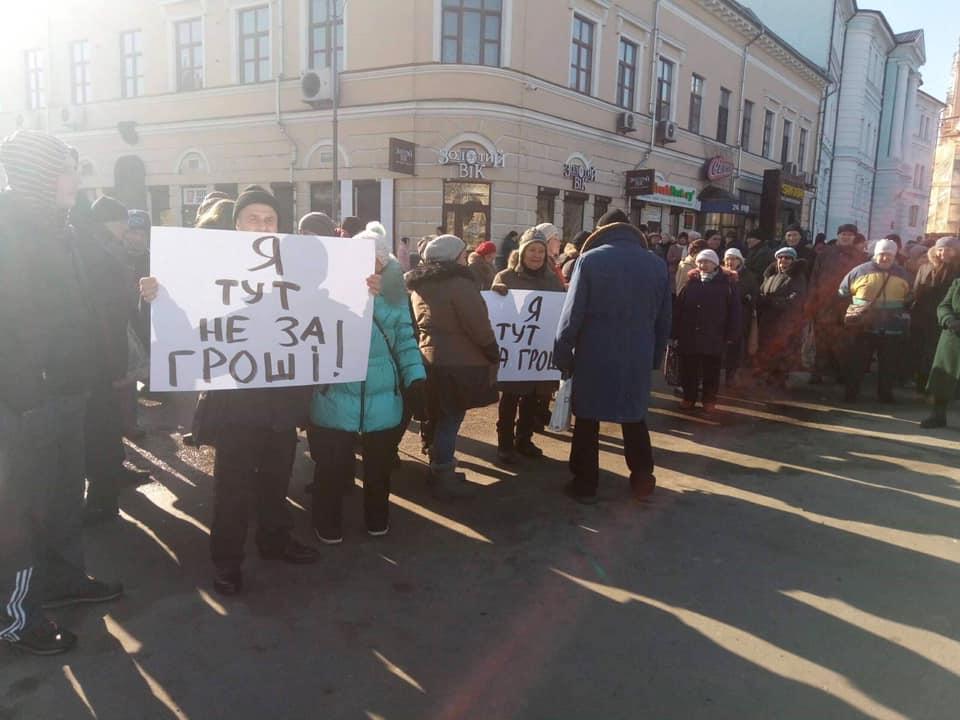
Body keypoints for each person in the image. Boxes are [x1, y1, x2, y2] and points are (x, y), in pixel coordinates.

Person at [140, 185, 321, 596]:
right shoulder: (206, 268)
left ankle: (274, 541)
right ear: (236, 224)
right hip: (235, 404)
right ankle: (227, 562)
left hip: (281, 402)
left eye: (269, 219)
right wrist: (153, 297)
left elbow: (328, 312)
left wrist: (364, 288)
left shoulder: (295, 268)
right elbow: (175, 322)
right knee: (232, 490)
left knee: (277, 481)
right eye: (253, 218)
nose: (262, 225)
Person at [0, 130, 123, 655]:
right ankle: (16, 616)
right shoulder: (10, 230)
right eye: (67, 170)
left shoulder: (61, 228)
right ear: (40, 176)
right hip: (28, 401)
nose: (76, 180)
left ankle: (63, 579)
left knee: (63, 498)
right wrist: (26, 390)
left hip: (69, 391)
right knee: (21, 511)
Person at [308, 227, 426, 543]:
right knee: (331, 467)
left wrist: (416, 378)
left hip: (383, 397)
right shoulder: (327, 292)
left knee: (379, 468)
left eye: (373, 259)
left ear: (383, 264)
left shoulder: (395, 296)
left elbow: (405, 340)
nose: (365, 265)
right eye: (358, 258)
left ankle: (377, 516)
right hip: (335, 394)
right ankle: (327, 520)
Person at [554, 209, 672, 504]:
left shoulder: (589, 260)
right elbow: (664, 320)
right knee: (634, 417)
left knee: (587, 419)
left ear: (600, 230)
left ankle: (585, 484)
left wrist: (562, 353)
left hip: (594, 354)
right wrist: (654, 358)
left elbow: (572, 315)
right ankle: (643, 480)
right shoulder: (656, 264)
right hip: (637, 354)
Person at [405, 234, 499, 498]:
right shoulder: (459, 284)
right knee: (451, 418)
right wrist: (492, 350)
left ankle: (438, 466)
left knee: (438, 414)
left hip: (429, 359)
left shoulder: (419, 285)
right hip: (460, 362)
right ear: (455, 257)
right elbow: (477, 324)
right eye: (463, 253)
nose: (465, 258)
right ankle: (443, 475)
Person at [490, 227, 565, 463]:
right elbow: (495, 312)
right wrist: (496, 294)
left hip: (538, 355)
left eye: (540, 251)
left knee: (533, 398)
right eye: (532, 250)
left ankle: (524, 439)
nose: (536, 255)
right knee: (510, 398)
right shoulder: (505, 277)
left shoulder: (552, 281)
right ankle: (505, 443)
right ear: (522, 252)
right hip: (515, 353)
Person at [838, 238, 913, 403]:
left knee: (888, 364)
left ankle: (885, 395)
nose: (885, 258)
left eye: (889, 255)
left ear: (894, 256)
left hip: (892, 327)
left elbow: (910, 296)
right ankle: (851, 393)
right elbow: (842, 292)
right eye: (881, 254)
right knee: (858, 362)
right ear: (875, 254)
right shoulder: (859, 271)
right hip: (864, 326)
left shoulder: (903, 274)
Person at [673, 249, 741, 411]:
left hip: (714, 334)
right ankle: (689, 397)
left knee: (711, 370)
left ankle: (709, 401)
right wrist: (675, 332)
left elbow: (735, 311)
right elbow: (679, 308)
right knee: (689, 369)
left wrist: (732, 334)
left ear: (715, 264)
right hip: (690, 334)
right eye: (700, 262)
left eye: (707, 262)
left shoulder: (727, 284)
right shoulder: (691, 282)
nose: (703, 265)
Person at [806, 224, 865, 384]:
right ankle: (817, 373)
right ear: (838, 236)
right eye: (843, 234)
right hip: (825, 304)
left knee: (844, 341)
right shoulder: (825, 254)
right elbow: (814, 278)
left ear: (854, 238)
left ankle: (841, 373)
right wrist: (811, 301)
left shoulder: (860, 257)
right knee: (821, 340)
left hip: (847, 305)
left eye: (849, 235)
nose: (846, 237)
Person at [755, 247, 808, 389]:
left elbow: (796, 300)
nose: (784, 260)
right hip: (767, 320)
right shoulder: (770, 275)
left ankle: (780, 380)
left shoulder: (797, 277)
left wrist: (772, 301)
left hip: (785, 321)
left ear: (793, 260)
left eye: (788, 258)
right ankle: (768, 376)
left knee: (782, 351)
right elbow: (762, 291)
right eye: (781, 257)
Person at [912, 237, 960, 390]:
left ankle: (942, 388)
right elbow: (916, 291)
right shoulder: (925, 267)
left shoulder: (957, 270)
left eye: (948, 249)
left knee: (942, 355)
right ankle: (922, 383)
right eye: (940, 249)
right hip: (924, 316)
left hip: (948, 319)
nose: (943, 253)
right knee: (922, 351)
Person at [920, 277, 960, 428]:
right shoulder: (957, 283)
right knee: (942, 378)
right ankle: (938, 416)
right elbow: (944, 306)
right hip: (952, 337)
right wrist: (948, 320)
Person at [722, 248, 759, 387]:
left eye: (733, 259)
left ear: (740, 261)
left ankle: (731, 377)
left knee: (735, 348)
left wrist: (745, 298)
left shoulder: (748, 276)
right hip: (722, 317)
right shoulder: (721, 274)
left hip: (741, 318)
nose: (730, 262)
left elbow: (754, 296)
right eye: (727, 259)